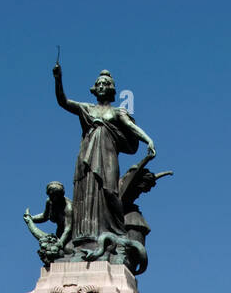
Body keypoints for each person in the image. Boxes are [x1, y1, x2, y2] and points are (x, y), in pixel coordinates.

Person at [53, 64, 155, 248]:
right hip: (87, 156)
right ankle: (85, 235)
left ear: (111, 89)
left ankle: (117, 231)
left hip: (107, 157)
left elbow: (131, 127)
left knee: (109, 190)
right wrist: (58, 79)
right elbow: (63, 101)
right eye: (98, 84)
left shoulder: (117, 112)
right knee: (86, 192)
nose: (101, 86)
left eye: (105, 84)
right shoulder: (86, 108)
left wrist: (148, 139)